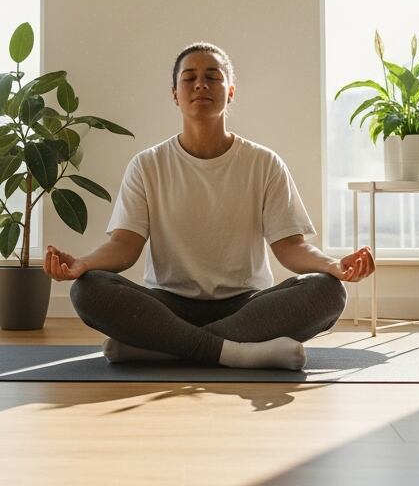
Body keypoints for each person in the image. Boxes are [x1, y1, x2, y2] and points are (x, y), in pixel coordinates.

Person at [43, 43, 375, 370]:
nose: (201, 83)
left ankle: (163, 348)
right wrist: (81, 264)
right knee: (89, 289)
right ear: (175, 94)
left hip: (247, 306)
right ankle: (236, 352)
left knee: (328, 292)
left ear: (230, 92)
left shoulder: (264, 163)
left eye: (212, 77)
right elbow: (124, 247)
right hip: (167, 305)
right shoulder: (147, 165)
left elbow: (291, 248)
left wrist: (333, 266)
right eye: (189, 78)